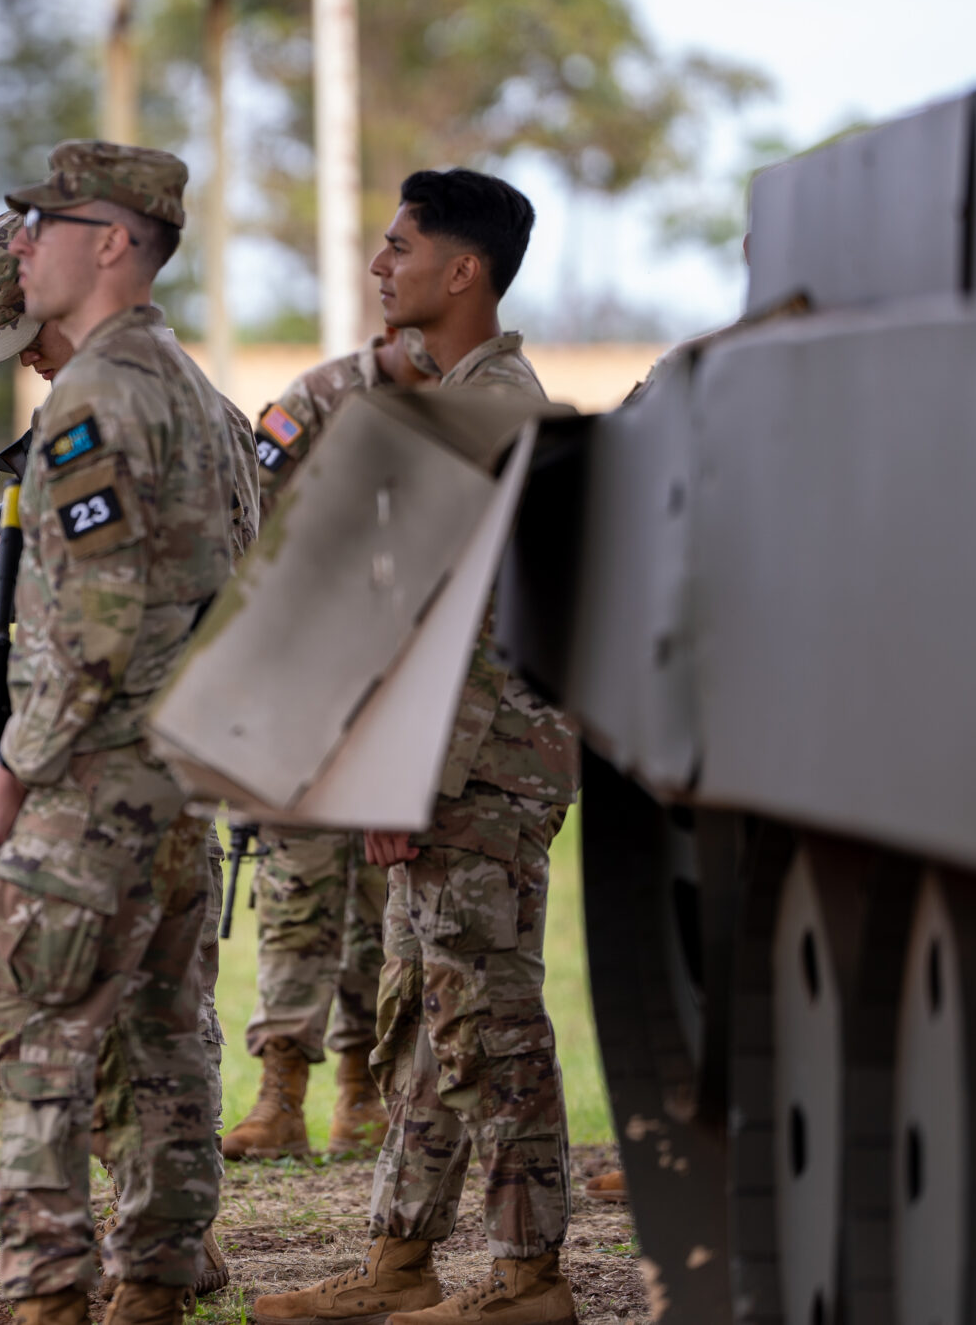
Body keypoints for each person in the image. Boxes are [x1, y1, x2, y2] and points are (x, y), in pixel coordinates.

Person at [253, 168, 582, 1325]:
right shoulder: (450, 399)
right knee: (425, 1021)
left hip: (474, 775)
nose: (378, 266)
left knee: (488, 1024)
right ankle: (400, 1259)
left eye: (399, 248)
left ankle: (530, 1277)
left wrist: (403, 779)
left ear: (463, 270)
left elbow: (462, 636)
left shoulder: (492, 409)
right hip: (451, 767)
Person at [0, 144, 256, 1325]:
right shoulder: (192, 391)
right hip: (180, 775)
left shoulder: (97, 399)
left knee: (17, 1050)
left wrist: (12, 772)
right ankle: (157, 1285)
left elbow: (99, 619)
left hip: (93, 782)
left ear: (113, 243)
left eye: (45, 224)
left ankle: (52, 1301)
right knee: (165, 1041)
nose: (23, 244)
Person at [220, 328, 425, 1165]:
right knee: (296, 887)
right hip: (303, 686)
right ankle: (281, 1096)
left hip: (402, 685)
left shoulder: (467, 396)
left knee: (384, 896)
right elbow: (250, 521)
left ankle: (360, 1092)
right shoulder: (319, 399)